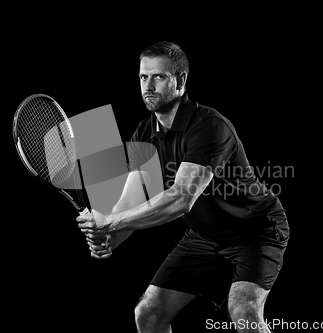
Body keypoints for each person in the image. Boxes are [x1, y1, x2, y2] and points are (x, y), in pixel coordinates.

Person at [78, 41, 290, 333]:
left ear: (180, 80)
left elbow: (181, 199)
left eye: (159, 77)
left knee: (244, 310)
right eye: (143, 77)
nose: (148, 86)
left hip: (254, 230)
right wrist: (109, 236)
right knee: (149, 313)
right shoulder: (144, 133)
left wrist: (110, 222)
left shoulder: (209, 126)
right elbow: (129, 203)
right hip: (206, 236)